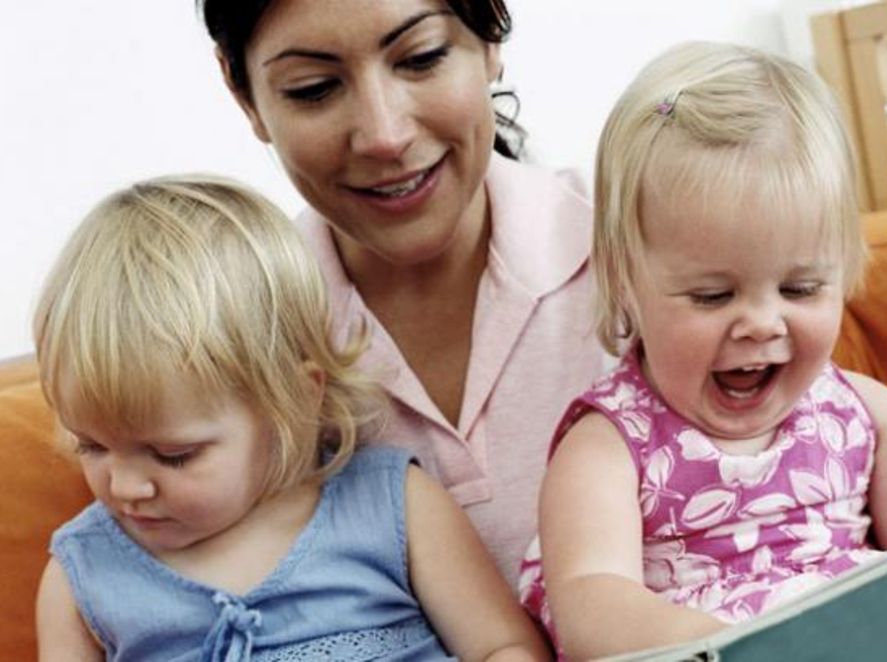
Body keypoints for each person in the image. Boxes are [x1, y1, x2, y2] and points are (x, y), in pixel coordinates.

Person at [517, 41, 887, 659]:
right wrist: (759, 645)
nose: (762, 324)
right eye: (713, 296)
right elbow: (592, 612)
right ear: (626, 285)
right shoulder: (610, 448)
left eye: (800, 288)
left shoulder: (865, 417)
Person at [33, 175, 550, 661]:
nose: (125, 486)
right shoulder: (81, 576)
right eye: (91, 445)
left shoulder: (391, 507)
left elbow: (502, 648)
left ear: (296, 401)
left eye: (173, 455)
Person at [197, 0, 605, 585]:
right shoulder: (228, 346)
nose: (384, 135)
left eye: (422, 57)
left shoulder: (649, 251)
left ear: (490, 38)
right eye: (314, 88)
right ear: (243, 95)